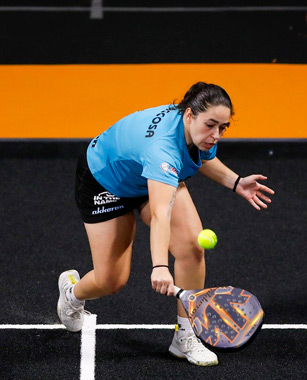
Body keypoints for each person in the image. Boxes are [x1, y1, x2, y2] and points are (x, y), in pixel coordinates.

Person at [57, 82, 275, 366]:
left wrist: (235, 182)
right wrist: (159, 266)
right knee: (111, 281)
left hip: (149, 174)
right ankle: (71, 294)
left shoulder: (195, 132)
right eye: (210, 125)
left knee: (191, 246)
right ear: (189, 115)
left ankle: (185, 337)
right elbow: (161, 213)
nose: (216, 135)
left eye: (223, 128)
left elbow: (201, 155)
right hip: (105, 180)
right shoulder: (163, 149)